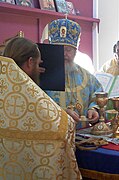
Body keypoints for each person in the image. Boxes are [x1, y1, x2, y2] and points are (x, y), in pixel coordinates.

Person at [2, 37, 81, 179]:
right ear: (30, 62)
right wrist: (65, 115)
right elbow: (61, 126)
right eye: (37, 64)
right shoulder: (30, 96)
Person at [46, 18, 103, 129]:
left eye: (68, 50)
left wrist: (93, 109)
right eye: (60, 49)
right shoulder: (42, 76)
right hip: (54, 136)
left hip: (82, 135)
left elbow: (97, 95)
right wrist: (62, 113)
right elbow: (38, 105)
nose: (64, 54)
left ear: (75, 52)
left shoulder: (87, 77)